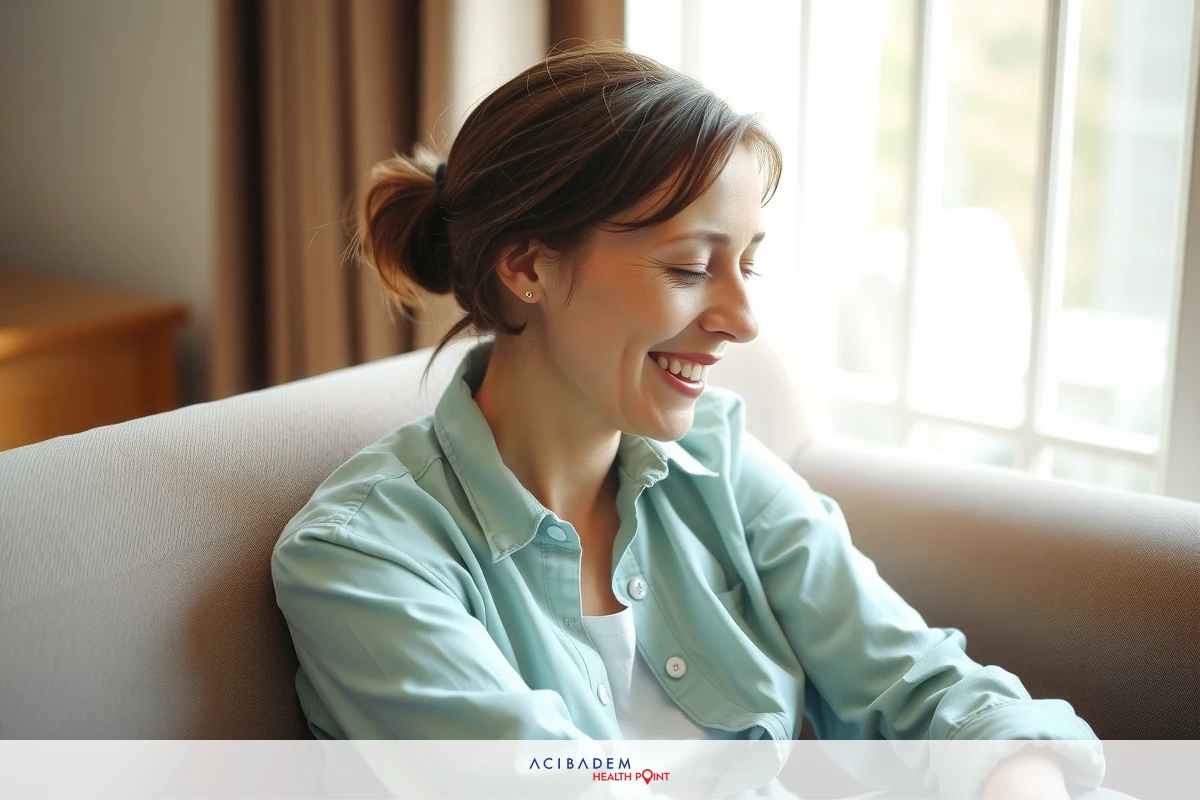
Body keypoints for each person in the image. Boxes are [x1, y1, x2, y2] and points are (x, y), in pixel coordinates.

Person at [271, 44, 1110, 800]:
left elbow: (923, 686)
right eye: (688, 267)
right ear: (526, 264)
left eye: (747, 265)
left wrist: (1018, 777)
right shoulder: (365, 557)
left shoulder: (719, 461)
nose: (743, 321)